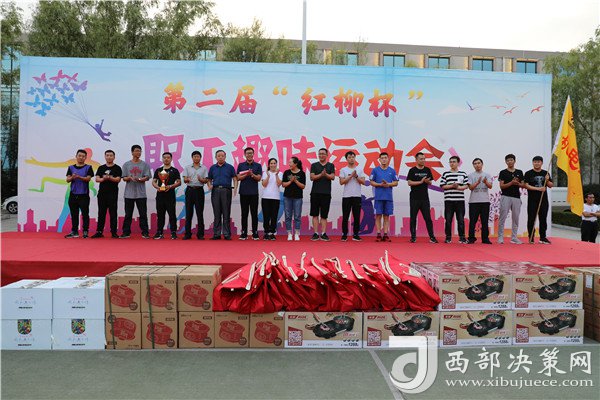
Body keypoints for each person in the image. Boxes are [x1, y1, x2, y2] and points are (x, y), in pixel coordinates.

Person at [121, 145, 151, 239]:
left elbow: (147, 177)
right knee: (128, 214)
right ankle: (126, 232)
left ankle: (145, 232)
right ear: (132, 152)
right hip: (129, 194)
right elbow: (123, 178)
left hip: (141, 194)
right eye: (137, 151)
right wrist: (129, 178)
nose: (139, 153)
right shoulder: (126, 165)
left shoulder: (144, 165)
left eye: (140, 151)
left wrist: (141, 179)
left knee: (143, 214)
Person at [407, 152, 438, 243]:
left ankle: (432, 237)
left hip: (424, 198)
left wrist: (427, 181)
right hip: (414, 198)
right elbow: (409, 183)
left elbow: (430, 182)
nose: (423, 160)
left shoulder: (427, 170)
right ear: (416, 160)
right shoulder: (412, 170)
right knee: (413, 218)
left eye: (424, 159)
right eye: (421, 159)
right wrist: (421, 182)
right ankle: (413, 237)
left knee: (428, 218)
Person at [207, 150, 238, 240]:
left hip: (226, 190)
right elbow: (209, 179)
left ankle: (227, 234)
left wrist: (235, 188)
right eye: (219, 156)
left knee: (226, 212)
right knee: (216, 213)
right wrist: (209, 185)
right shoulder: (212, 168)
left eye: (222, 156)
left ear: (225, 157)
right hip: (215, 190)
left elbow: (235, 179)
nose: (220, 157)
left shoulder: (230, 167)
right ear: (216, 157)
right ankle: (216, 234)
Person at [91, 150, 122, 239]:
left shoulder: (117, 168)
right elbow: (97, 179)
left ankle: (114, 232)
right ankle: (99, 231)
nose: (109, 157)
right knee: (101, 213)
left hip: (113, 194)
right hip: (102, 194)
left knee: (113, 213)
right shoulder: (101, 168)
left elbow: (118, 179)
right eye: (107, 155)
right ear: (105, 156)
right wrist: (104, 178)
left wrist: (110, 178)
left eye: (111, 155)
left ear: (114, 157)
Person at [64, 149, 94, 238]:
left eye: (83, 156)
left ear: (85, 158)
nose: (81, 157)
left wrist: (79, 177)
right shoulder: (71, 167)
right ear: (76, 156)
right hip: (73, 194)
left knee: (85, 214)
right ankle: (74, 231)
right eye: (79, 156)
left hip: (84, 194)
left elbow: (88, 179)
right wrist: (72, 177)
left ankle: (85, 231)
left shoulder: (88, 167)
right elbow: (67, 180)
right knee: (74, 214)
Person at [524, 156, 553, 244]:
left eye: (538, 162)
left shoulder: (545, 173)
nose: (536, 163)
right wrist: (538, 189)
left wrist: (547, 180)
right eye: (535, 162)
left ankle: (543, 237)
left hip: (543, 200)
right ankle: (531, 237)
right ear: (533, 163)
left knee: (543, 218)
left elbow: (551, 185)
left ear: (541, 163)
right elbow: (526, 185)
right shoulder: (528, 173)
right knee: (531, 218)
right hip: (532, 200)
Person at [151, 152, 181, 240]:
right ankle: (159, 232)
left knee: (172, 214)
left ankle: (173, 232)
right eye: (164, 157)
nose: (166, 159)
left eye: (168, 157)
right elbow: (154, 181)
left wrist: (170, 186)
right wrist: (158, 187)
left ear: (171, 159)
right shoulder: (158, 170)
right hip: (160, 195)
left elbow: (179, 182)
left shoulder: (174, 170)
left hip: (170, 195)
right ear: (162, 159)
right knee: (160, 214)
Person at [369, 152, 398, 242]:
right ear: (379, 159)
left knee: (386, 216)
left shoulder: (392, 171)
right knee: (378, 216)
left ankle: (385, 234)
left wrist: (388, 184)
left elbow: (396, 182)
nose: (384, 159)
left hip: (388, 197)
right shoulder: (375, 170)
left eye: (385, 157)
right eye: (382, 158)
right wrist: (379, 185)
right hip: (378, 197)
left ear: (388, 159)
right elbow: (371, 182)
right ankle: (378, 234)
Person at [440, 156, 468, 243]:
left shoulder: (463, 174)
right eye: (450, 162)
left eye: (454, 162)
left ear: (458, 163)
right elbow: (442, 186)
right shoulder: (445, 174)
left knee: (461, 220)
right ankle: (448, 237)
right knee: (448, 220)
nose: (452, 163)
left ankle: (462, 237)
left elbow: (466, 186)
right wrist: (452, 186)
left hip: (460, 201)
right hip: (449, 201)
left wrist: (458, 187)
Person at [497, 154, 525, 244]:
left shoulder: (519, 172)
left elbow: (523, 185)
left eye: (511, 160)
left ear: (514, 161)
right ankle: (500, 237)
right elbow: (502, 186)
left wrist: (517, 183)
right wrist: (511, 183)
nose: (510, 162)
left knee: (516, 218)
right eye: (508, 160)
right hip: (505, 196)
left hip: (516, 197)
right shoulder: (503, 172)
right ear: (506, 162)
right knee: (502, 217)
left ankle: (514, 237)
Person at [309, 148, 336, 241]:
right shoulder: (314, 165)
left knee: (324, 215)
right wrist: (321, 174)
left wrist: (326, 175)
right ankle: (315, 233)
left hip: (326, 193)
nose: (321, 155)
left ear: (327, 155)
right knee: (315, 214)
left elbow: (332, 177)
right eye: (320, 154)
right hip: (315, 193)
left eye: (323, 154)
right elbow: (312, 177)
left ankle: (323, 233)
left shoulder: (330, 165)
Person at [237, 147, 263, 240]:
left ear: (253, 154)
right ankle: (244, 233)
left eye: (251, 153)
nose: (249, 155)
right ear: (245, 154)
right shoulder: (241, 165)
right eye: (248, 153)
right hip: (243, 192)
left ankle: (255, 233)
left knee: (254, 213)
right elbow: (238, 178)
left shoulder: (257, 165)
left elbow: (259, 178)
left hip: (254, 193)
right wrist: (246, 174)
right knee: (244, 213)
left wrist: (252, 174)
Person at [339, 151, 366, 241]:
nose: (351, 159)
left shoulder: (360, 169)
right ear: (346, 159)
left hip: (357, 196)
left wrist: (356, 176)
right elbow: (341, 182)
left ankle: (356, 234)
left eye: (353, 157)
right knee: (345, 216)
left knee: (357, 216)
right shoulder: (343, 170)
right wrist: (350, 176)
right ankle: (344, 234)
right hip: (346, 196)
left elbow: (363, 182)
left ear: (355, 158)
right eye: (349, 157)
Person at [182, 151, 208, 240]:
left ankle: (200, 234)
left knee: (199, 213)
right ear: (192, 157)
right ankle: (187, 234)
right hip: (190, 190)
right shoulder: (187, 167)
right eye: (195, 156)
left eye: (198, 156)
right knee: (188, 213)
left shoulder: (204, 168)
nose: (196, 158)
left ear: (200, 158)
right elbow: (184, 179)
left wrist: (202, 180)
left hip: (199, 190)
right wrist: (187, 179)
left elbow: (206, 180)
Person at [467, 158, 493, 244]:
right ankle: (471, 238)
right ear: (473, 165)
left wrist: (485, 182)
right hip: (473, 201)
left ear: (482, 164)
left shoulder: (487, 175)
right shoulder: (470, 175)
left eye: (478, 163)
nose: (477, 165)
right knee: (472, 221)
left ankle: (485, 238)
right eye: (475, 163)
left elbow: (490, 186)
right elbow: (470, 188)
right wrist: (477, 183)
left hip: (485, 201)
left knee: (484, 221)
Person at [282, 157, 306, 241]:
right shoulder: (286, 172)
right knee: (288, 216)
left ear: (295, 164)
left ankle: (296, 233)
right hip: (287, 197)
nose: (289, 164)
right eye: (289, 162)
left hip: (298, 197)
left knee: (297, 216)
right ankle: (289, 233)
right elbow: (283, 184)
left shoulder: (302, 173)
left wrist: (296, 181)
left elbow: (303, 186)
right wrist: (290, 181)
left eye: (290, 162)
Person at [261, 158, 283, 240]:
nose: (273, 165)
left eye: (274, 163)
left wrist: (276, 175)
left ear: (276, 164)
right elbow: (264, 184)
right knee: (266, 216)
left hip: (275, 198)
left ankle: (272, 233)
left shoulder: (280, 173)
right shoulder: (265, 173)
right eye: (271, 163)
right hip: (266, 197)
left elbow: (279, 184)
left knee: (274, 216)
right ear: (269, 165)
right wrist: (268, 176)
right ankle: (266, 232)